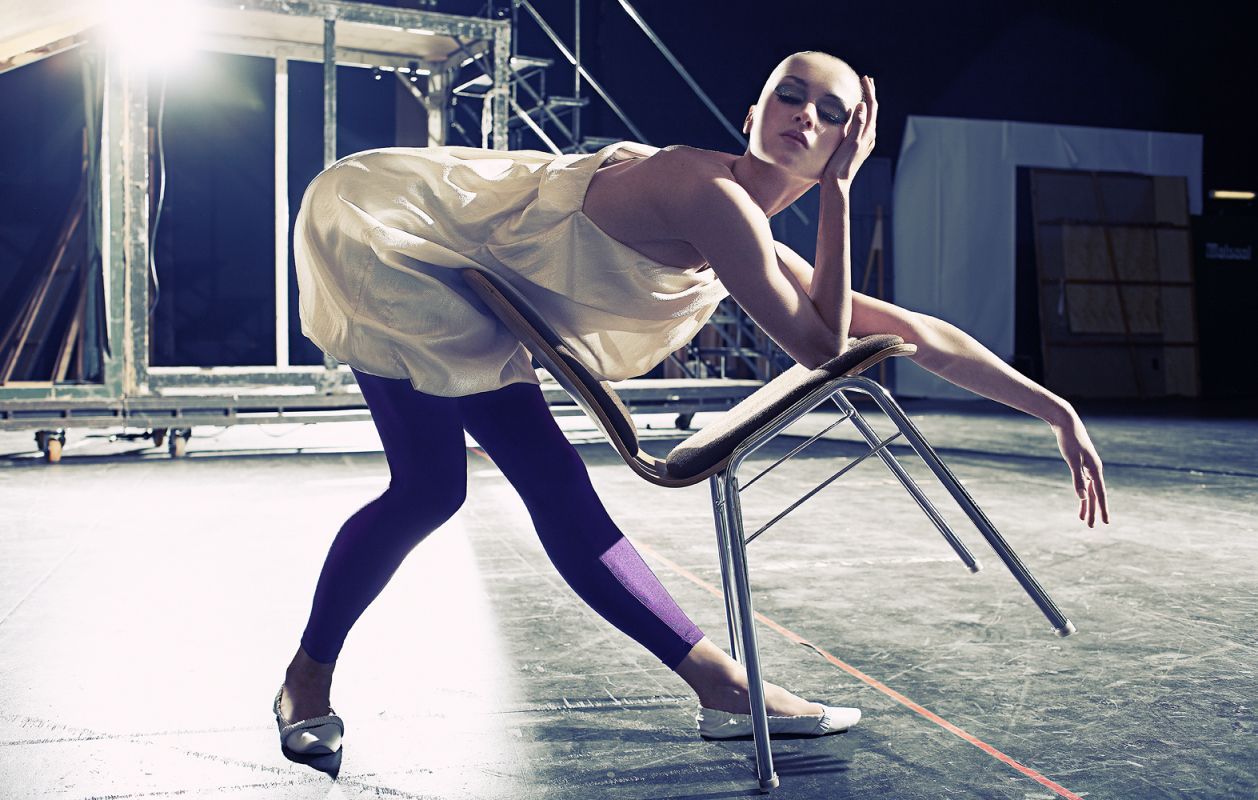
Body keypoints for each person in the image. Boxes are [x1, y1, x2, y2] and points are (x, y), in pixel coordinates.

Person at [273, 50, 1111, 767]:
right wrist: (845, 195)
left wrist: (1054, 408)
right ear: (752, 111)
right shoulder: (705, 190)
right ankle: (306, 680)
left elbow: (905, 332)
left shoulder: (744, 229)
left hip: (456, 267)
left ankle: (720, 687)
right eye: (791, 93)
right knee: (435, 490)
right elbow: (823, 349)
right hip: (387, 231)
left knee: (520, 490)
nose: (805, 118)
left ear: (846, 138)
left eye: (832, 113)